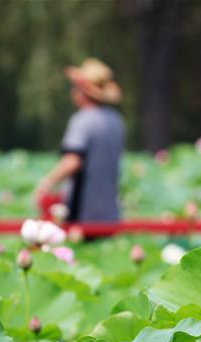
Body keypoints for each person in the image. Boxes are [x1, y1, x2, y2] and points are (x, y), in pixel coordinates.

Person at [36, 58, 125, 223]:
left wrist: (47, 183)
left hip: (84, 213)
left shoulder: (83, 120)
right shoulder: (116, 120)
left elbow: (73, 161)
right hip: (111, 212)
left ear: (83, 92)